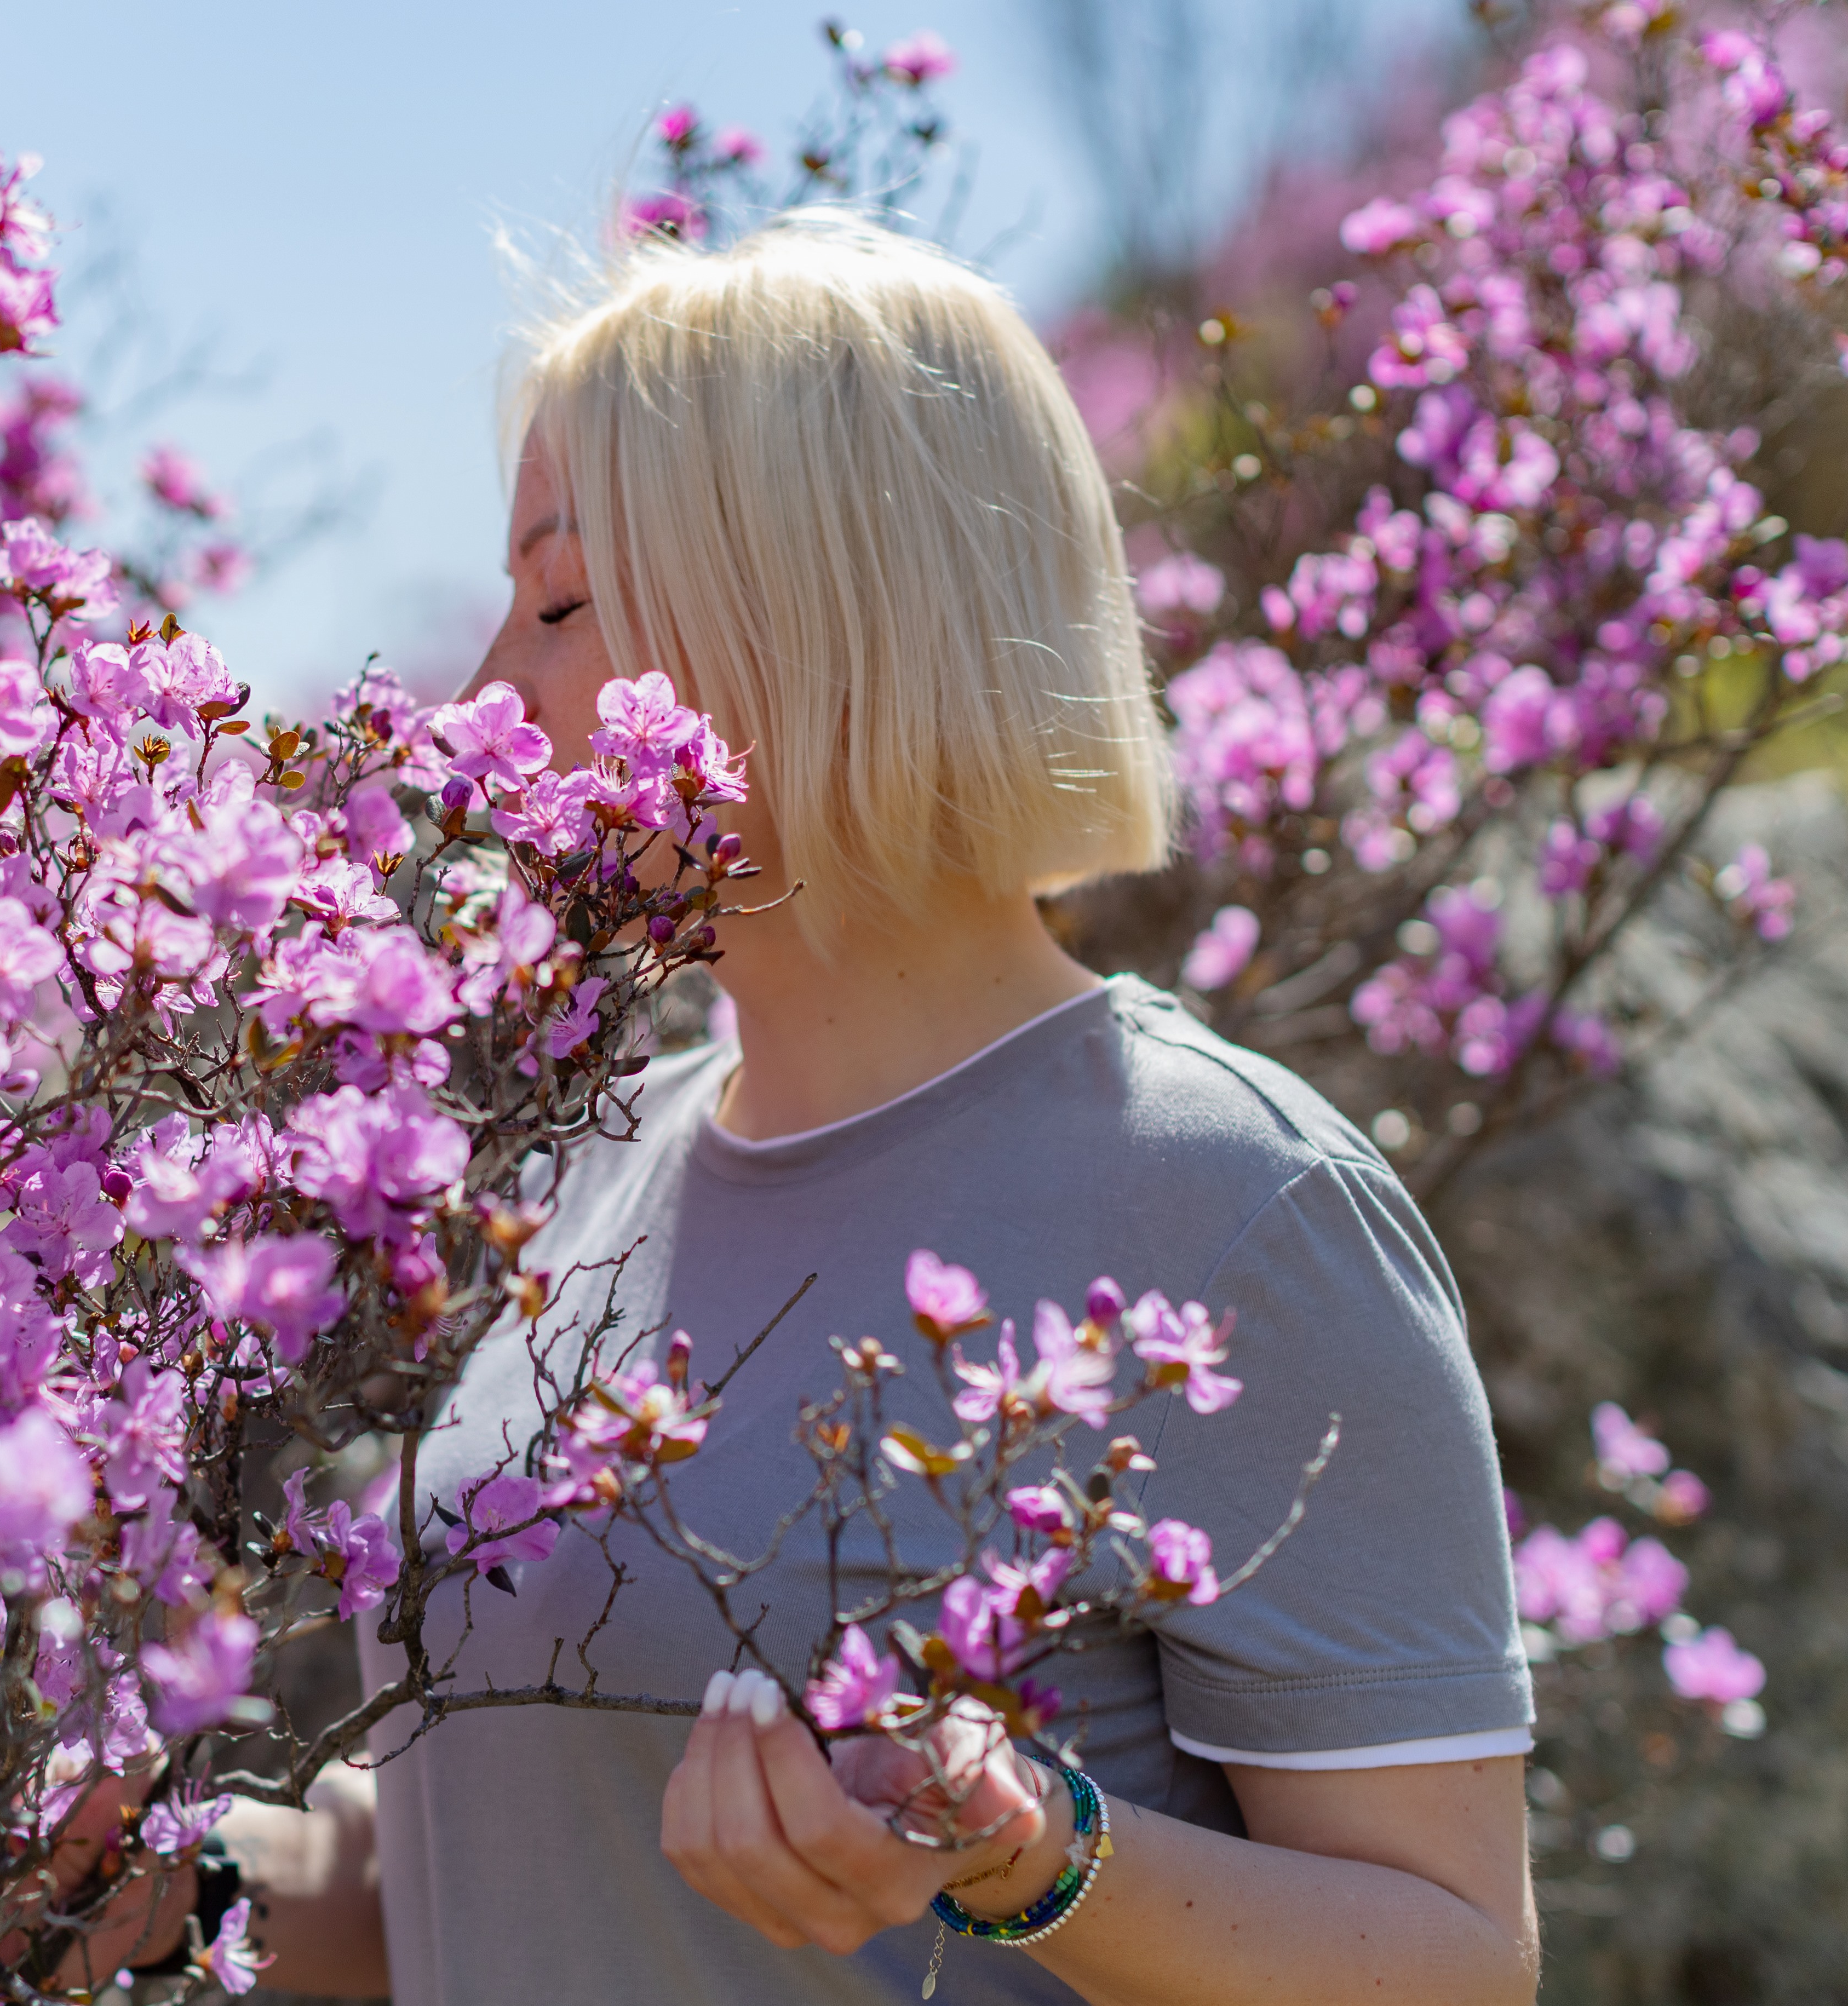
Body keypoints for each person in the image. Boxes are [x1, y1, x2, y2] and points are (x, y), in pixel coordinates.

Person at [136, 211, 1540, 2006]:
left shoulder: (1232, 1199)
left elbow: (1457, 1963)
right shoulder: (579, 1180)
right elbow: (497, 1854)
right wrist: (182, 1895)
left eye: (559, 603)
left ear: (813, 619)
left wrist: (1029, 1858)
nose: (485, 694)